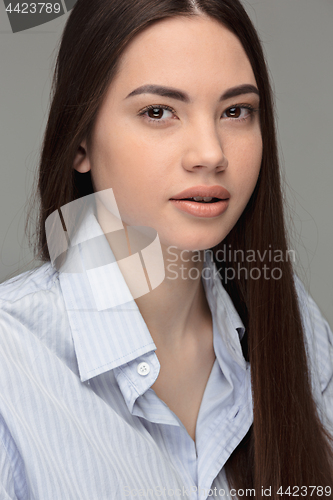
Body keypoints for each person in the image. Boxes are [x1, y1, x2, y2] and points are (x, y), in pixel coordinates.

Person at [0, 0, 332, 498]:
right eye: (159, 112)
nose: (211, 153)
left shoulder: (295, 324)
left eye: (236, 111)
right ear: (80, 142)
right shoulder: (12, 365)